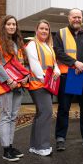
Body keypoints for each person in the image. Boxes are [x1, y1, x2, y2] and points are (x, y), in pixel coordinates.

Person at [54, 8, 83, 151]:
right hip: (69, 75)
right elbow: (58, 52)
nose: (77, 20)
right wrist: (75, 63)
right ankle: (60, 138)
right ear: (69, 18)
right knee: (64, 108)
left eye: (79, 17)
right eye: (74, 17)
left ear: (82, 19)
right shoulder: (60, 33)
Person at [0, 15, 28, 161]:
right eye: (9, 24)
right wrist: (9, 80)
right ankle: (6, 150)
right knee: (5, 115)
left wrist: (25, 77)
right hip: (5, 84)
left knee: (13, 116)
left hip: (18, 84)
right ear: (3, 26)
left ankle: (10, 145)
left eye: (14, 24)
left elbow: (22, 64)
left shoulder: (17, 43)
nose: (11, 27)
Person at [26, 20, 60, 156]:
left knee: (41, 114)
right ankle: (42, 147)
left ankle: (35, 146)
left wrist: (57, 70)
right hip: (39, 84)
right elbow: (34, 65)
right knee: (46, 113)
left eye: (47, 29)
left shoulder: (48, 46)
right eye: (42, 28)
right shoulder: (32, 45)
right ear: (36, 30)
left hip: (47, 84)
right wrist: (46, 79)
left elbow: (54, 63)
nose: (44, 31)